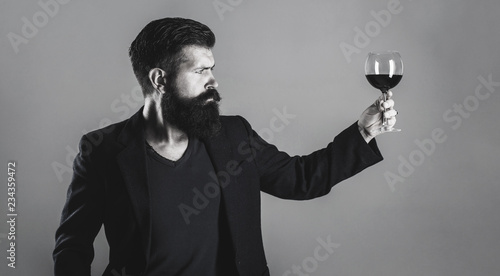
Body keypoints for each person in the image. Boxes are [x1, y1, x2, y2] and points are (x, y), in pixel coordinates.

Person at [53, 17, 398, 276]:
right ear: (160, 80)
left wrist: (363, 133)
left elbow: (302, 178)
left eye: (212, 69)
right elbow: (73, 244)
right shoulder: (104, 150)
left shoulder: (234, 135)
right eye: (201, 71)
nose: (213, 81)